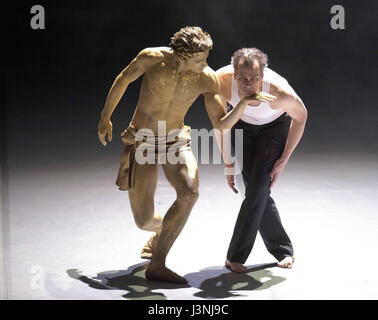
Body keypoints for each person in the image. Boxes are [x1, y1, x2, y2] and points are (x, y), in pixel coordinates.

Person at [97, 28, 275, 284]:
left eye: (205, 59)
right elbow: (124, 78)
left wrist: (244, 104)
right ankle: (160, 232)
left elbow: (221, 125)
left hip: (175, 141)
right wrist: (105, 118)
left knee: (190, 191)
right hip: (143, 140)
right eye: (199, 60)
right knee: (145, 221)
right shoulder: (152, 58)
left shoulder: (206, 78)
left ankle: (157, 265)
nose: (205, 65)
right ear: (182, 55)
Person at [216, 48, 307, 272]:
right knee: (258, 191)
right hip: (241, 124)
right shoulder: (221, 82)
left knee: (257, 188)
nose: (249, 84)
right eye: (244, 79)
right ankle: (283, 250)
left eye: (255, 78)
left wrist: (285, 157)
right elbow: (220, 126)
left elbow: (301, 116)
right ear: (234, 75)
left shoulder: (279, 92)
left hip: (273, 129)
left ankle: (234, 257)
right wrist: (228, 163)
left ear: (263, 76)